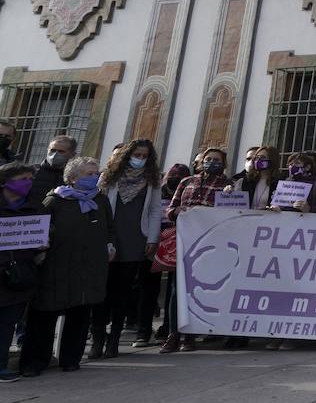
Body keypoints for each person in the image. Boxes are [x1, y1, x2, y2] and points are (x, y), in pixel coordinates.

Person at [18, 157, 113, 375]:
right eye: (88, 174)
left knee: (79, 314)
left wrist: (110, 244)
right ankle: (35, 362)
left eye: (95, 173)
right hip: (57, 266)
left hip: (88, 267)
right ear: (73, 178)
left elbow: (110, 228)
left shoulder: (100, 201)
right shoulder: (56, 200)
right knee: (45, 314)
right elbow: (41, 229)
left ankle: (71, 359)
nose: (94, 177)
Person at [89, 140, 161, 360]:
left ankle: (114, 340)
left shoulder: (152, 180)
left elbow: (156, 210)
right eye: (136, 154)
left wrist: (152, 238)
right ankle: (98, 337)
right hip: (109, 236)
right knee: (102, 290)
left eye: (144, 155)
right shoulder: (108, 177)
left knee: (123, 291)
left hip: (135, 238)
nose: (140, 158)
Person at [160, 148, 229, 353]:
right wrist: (176, 211)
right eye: (208, 159)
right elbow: (170, 209)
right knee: (176, 290)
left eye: (216, 160)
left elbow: (231, 212)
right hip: (184, 240)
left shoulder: (227, 185)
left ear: (223, 164)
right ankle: (174, 334)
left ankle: (190, 336)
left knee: (199, 289)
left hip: (209, 244)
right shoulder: (186, 182)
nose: (211, 163)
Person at [140, 162, 190, 347]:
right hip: (154, 242)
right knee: (148, 287)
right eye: (172, 176)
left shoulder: (186, 191)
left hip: (178, 244)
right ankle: (144, 329)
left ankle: (169, 328)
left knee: (174, 289)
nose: (174, 180)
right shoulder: (157, 192)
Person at [0, 162, 41, 382]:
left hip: (20, 271)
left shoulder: (34, 207)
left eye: (30, 179)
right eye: (23, 179)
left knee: (7, 323)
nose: (28, 183)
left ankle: (1, 364)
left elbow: (41, 233)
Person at [225, 145, 281, 210]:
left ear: (272, 160)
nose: (258, 160)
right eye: (257, 158)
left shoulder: (279, 183)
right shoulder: (243, 181)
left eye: (262, 157)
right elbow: (234, 203)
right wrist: (228, 193)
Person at [27, 135, 75, 209]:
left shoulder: (74, 177)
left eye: (61, 151)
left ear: (72, 154)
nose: (55, 155)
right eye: (52, 150)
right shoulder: (31, 172)